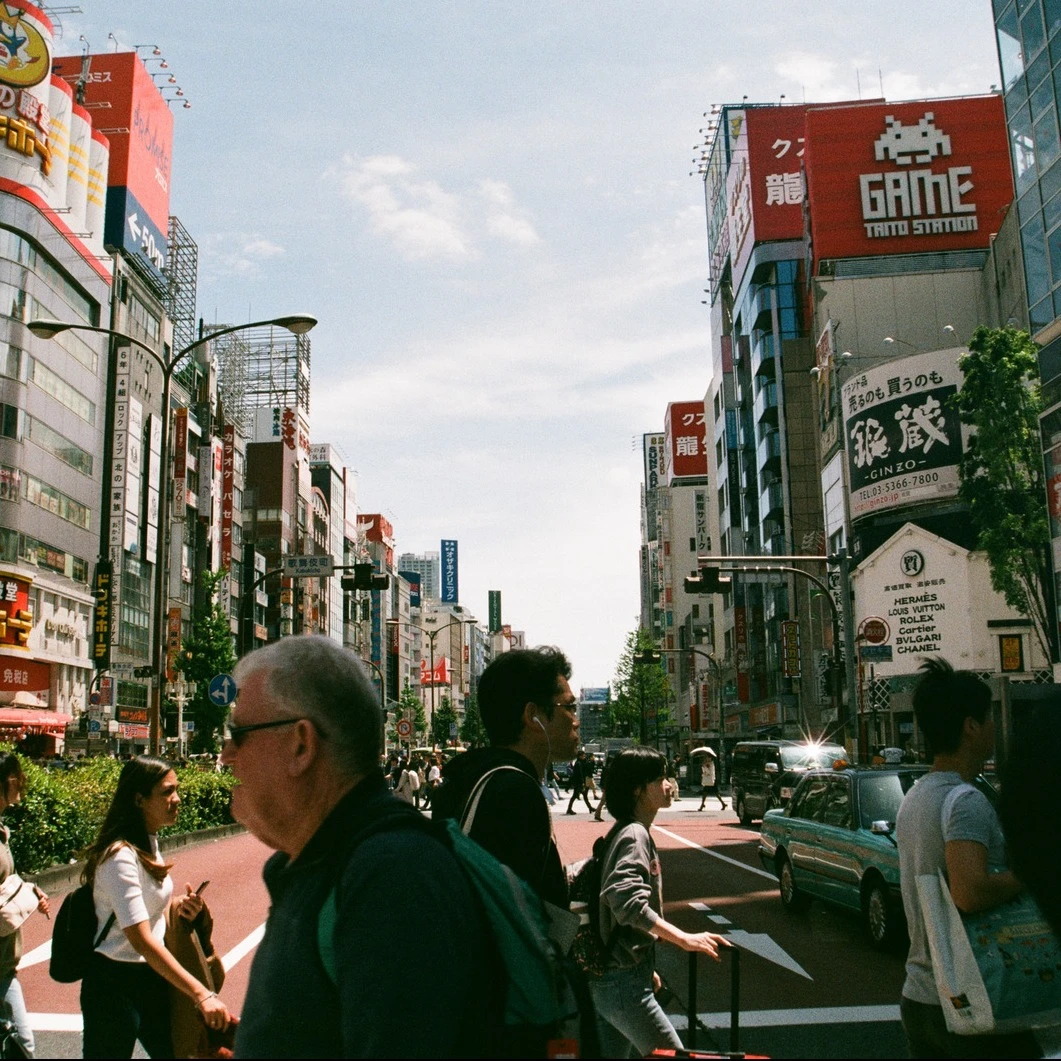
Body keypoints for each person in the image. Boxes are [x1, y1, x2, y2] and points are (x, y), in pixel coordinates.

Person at [223, 635, 498, 1058]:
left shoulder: (393, 877)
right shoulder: (331, 860)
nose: (225, 755)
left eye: (238, 734)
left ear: (301, 744)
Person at [895, 658, 1041, 1059]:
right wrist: (1032, 874)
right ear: (970, 726)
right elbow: (970, 891)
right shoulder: (966, 801)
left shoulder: (915, 796)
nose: (994, 727)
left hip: (921, 995)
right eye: (988, 717)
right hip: (973, 998)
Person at [81, 756, 230, 1058]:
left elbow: (152, 918)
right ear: (139, 799)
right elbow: (142, 940)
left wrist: (182, 910)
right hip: (113, 984)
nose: (176, 799)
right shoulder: (119, 857)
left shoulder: (148, 845)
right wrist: (201, 993)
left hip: (150, 978)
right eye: (166, 792)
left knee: (180, 1053)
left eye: (176, 790)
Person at [591, 747, 728, 1057]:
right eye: (661, 778)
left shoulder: (626, 831)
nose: (670, 784)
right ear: (639, 789)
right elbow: (623, 897)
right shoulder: (634, 834)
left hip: (616, 978)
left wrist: (644, 968)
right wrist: (683, 938)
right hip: (623, 986)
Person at [432, 646, 578, 908]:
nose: (575, 720)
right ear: (533, 715)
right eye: (569, 707)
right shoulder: (515, 792)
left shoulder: (469, 777)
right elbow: (520, 916)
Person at [0, 754, 48, 1056]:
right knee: (21, 1046)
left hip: (5, 964)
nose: (21, 782)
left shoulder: (1, 830)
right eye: (16, 776)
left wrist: (26, 889)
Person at [566, 749, 597, 815]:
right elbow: (580, 774)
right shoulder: (578, 764)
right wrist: (582, 783)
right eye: (583, 756)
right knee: (575, 796)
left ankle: (590, 808)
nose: (584, 757)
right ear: (580, 756)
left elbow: (588, 767)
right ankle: (569, 809)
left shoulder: (581, 762)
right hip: (579, 783)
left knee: (582, 796)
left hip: (579, 783)